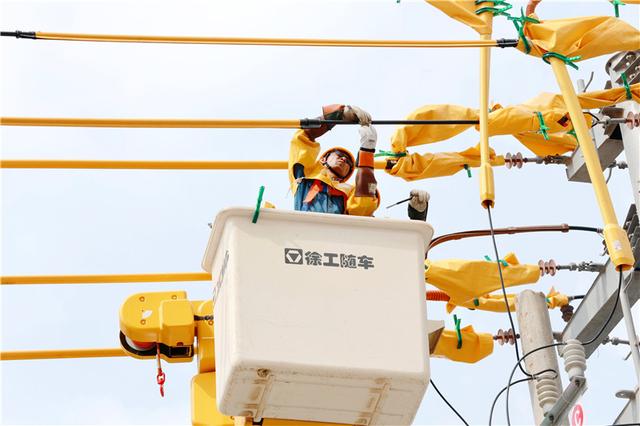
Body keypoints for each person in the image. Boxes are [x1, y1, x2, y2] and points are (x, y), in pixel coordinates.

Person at [289, 104, 380, 216]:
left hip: (333, 227)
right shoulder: (304, 176)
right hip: (304, 225)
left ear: (347, 173)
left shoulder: (350, 191)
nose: (344, 159)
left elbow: (363, 206)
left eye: (349, 162)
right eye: (339, 154)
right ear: (323, 159)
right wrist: (338, 115)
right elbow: (302, 137)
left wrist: (367, 150)